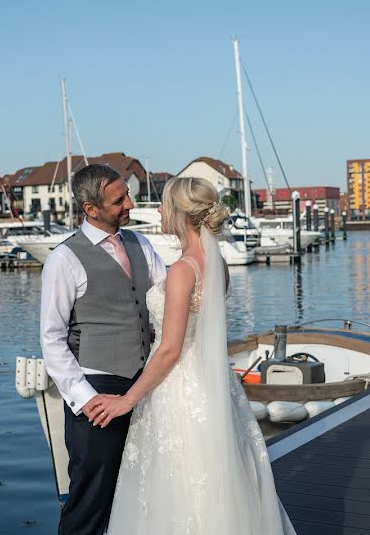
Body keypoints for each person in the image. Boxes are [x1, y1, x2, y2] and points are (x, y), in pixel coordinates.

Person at [91, 177, 296, 534]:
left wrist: (127, 400)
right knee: (215, 483)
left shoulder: (185, 270)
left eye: (163, 204)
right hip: (212, 388)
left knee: (177, 489)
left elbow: (170, 349)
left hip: (179, 392)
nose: (157, 210)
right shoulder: (218, 263)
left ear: (179, 213)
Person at [40, 164, 166, 535]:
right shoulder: (64, 259)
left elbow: (167, 297)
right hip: (97, 391)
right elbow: (51, 337)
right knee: (90, 501)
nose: (129, 203)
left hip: (146, 386)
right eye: (119, 200)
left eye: (127, 194)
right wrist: (83, 398)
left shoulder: (141, 244)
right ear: (90, 208)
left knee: (142, 490)